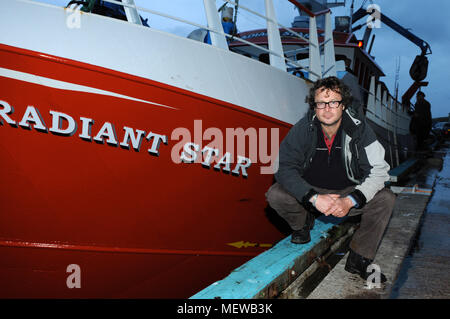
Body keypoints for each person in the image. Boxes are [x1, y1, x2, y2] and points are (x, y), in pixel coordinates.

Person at [266, 76, 395, 282]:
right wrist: (314, 198)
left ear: (343, 105)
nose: (327, 109)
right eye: (321, 103)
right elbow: (282, 167)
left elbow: (379, 171)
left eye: (334, 102)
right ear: (314, 106)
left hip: (348, 189)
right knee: (276, 194)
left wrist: (349, 200)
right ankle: (302, 224)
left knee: (386, 199)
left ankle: (359, 258)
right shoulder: (303, 128)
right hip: (311, 189)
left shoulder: (360, 129)